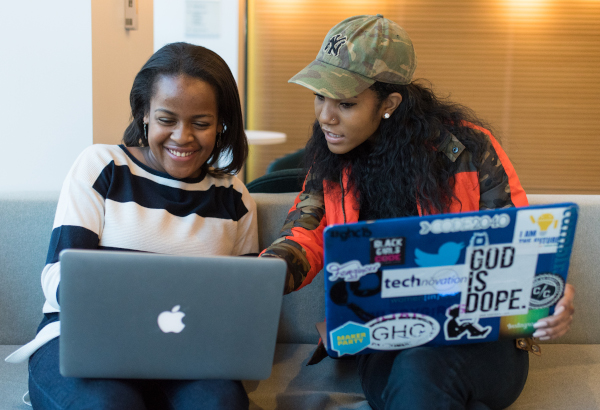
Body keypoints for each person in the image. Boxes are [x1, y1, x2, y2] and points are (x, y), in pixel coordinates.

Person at [260, 15, 575, 410]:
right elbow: (303, 233)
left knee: (420, 370)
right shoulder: (330, 159)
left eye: (345, 102)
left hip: (479, 338)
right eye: (320, 96)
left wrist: (551, 295)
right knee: (418, 375)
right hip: (384, 338)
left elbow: (516, 244)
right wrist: (267, 271)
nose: (325, 116)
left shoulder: (468, 150)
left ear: (389, 103)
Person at [6, 42, 257, 410]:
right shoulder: (102, 167)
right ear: (144, 114)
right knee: (108, 404)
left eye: (201, 123)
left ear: (221, 124)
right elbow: (58, 275)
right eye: (166, 119)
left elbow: (246, 300)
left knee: (219, 403)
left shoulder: (234, 196)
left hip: (189, 357)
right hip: (83, 343)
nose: (182, 137)